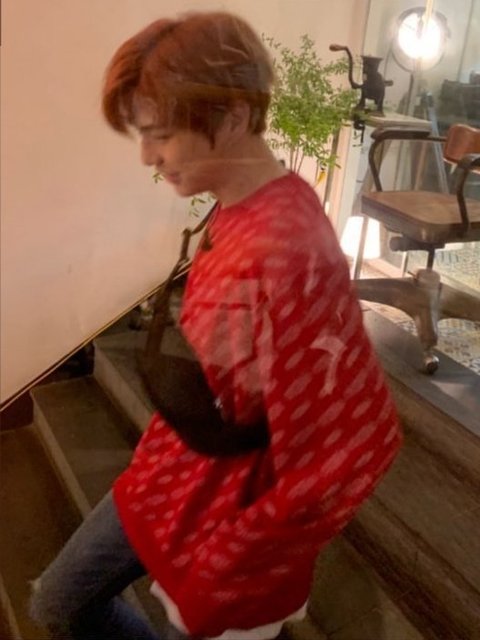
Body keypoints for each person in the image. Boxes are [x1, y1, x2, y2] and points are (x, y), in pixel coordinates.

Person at [30, 11, 402, 640]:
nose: (148, 156)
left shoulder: (289, 247)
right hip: (176, 470)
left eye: (161, 136)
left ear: (232, 116)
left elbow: (346, 446)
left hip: (231, 518)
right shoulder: (242, 207)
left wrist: (231, 561)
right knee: (58, 601)